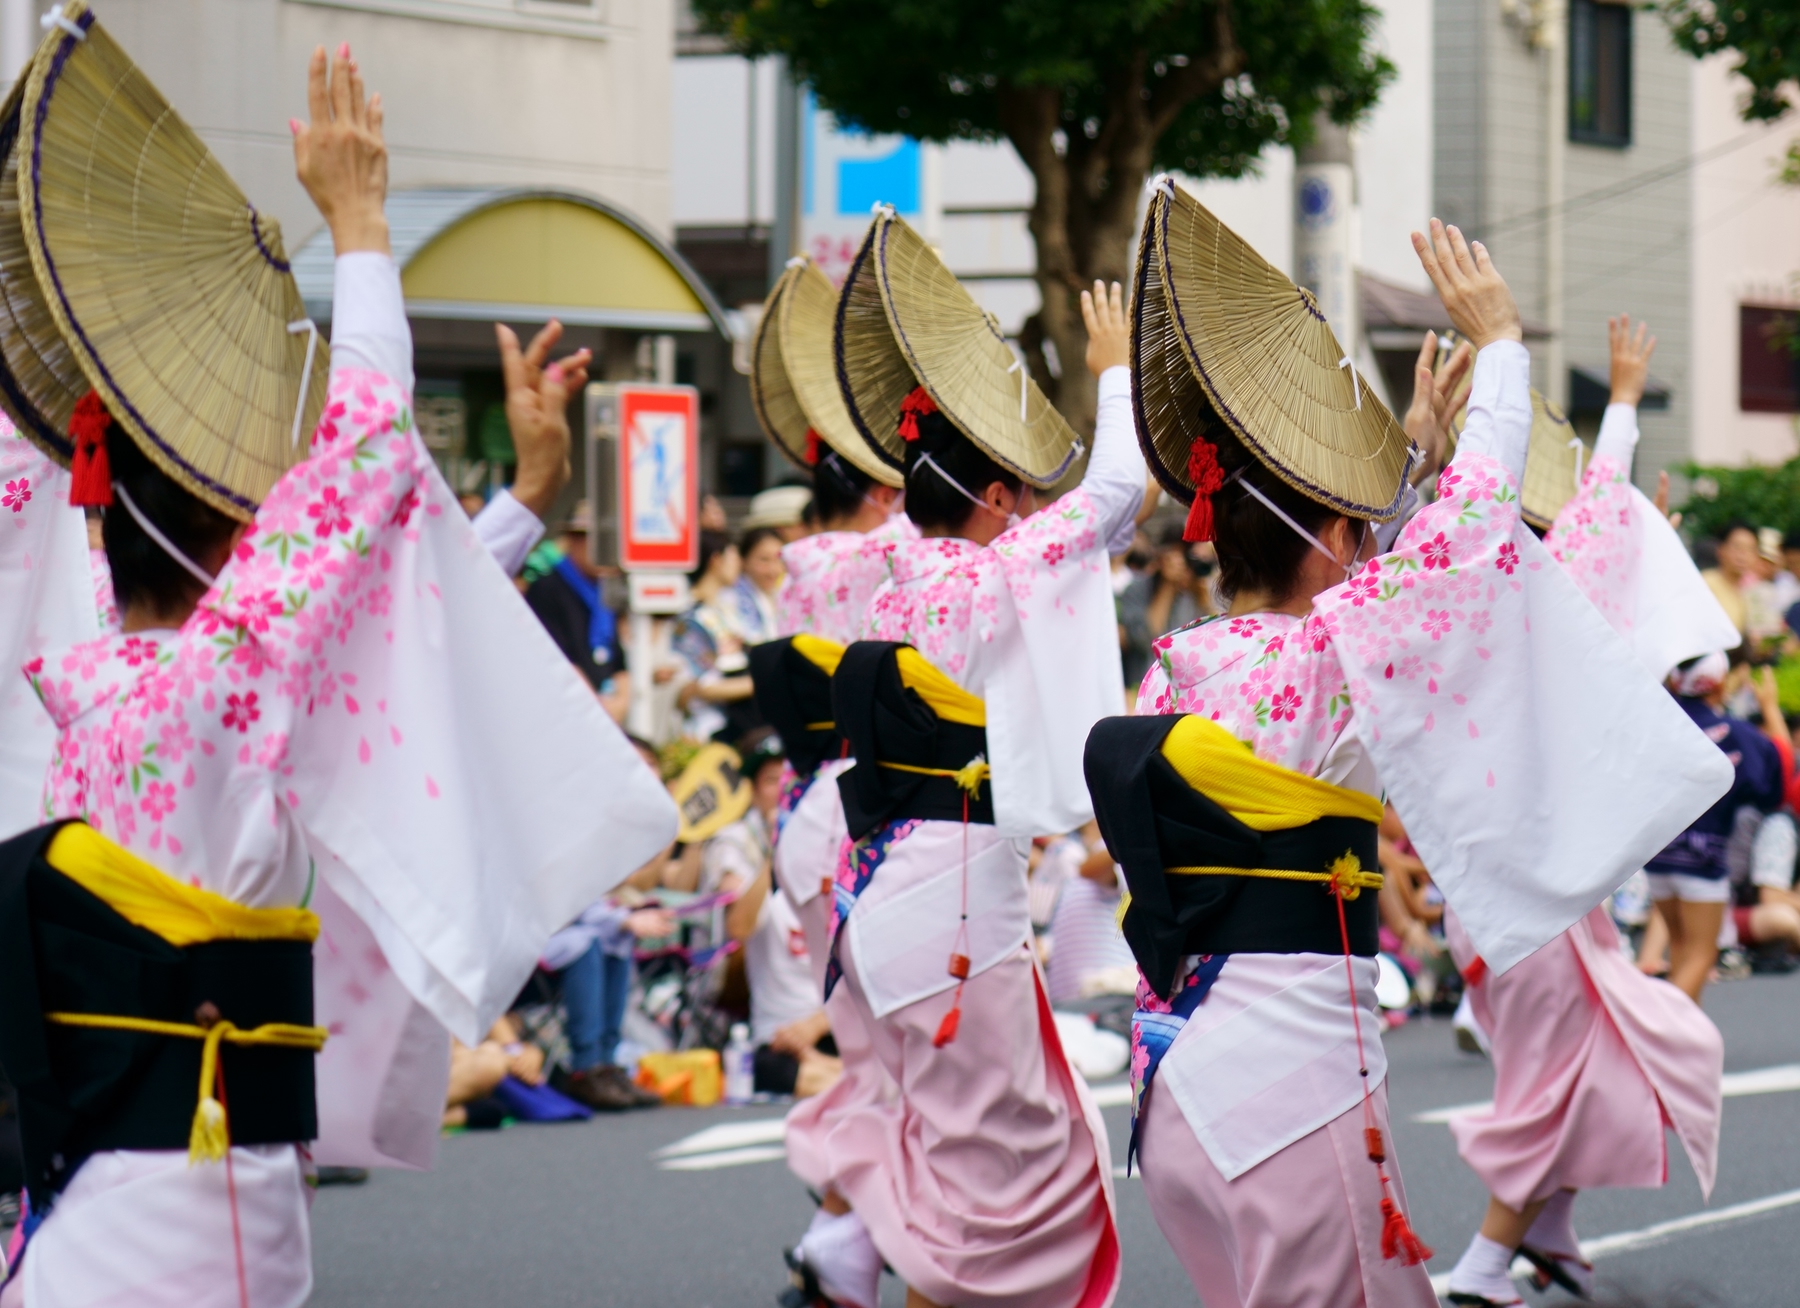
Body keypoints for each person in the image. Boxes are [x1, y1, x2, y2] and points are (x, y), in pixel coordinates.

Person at [0, 36, 677, 1306]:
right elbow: (363, 451)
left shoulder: (93, 678)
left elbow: (343, 637)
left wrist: (522, 505)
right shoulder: (212, 695)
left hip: (79, 1199)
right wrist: (361, 225)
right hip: (193, 1208)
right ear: (234, 536)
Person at [1089, 192, 1729, 1308]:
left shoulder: (1173, 667)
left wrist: (1410, 457)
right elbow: (1470, 528)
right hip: (1288, 1083)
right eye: (1359, 529)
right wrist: (1503, 347)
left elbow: (1396, 561)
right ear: (1338, 540)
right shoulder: (1336, 653)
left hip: (1180, 1076)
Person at [797, 205, 1155, 1308]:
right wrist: (1107, 376)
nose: (1032, 509)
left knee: (959, 1152)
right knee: (1013, 1179)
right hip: (950, 899)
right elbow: (1116, 497)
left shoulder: (889, 574)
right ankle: (856, 1258)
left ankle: (848, 1251)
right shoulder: (979, 574)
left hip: (869, 884)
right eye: (1016, 493)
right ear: (996, 499)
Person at [1439, 314, 1731, 1306]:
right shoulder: (1552, 615)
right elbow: (1600, 523)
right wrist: (1621, 399)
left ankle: (1550, 1228)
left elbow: (1597, 528)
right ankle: (1485, 1264)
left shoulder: (1458, 613)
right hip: (1540, 902)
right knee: (1564, 1085)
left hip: (1505, 891)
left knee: (1612, 1061)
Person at [1646, 654, 1787, 1003]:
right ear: (1722, 683)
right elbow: (1773, 785)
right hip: (1704, 856)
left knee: (1680, 946)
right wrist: (1768, 709)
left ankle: (1683, 1044)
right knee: (1702, 953)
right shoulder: (1736, 735)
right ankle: (1665, 1034)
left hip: (1656, 854)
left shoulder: (1657, 725)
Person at [523, 499, 631, 723]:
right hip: (569, 709)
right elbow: (555, 655)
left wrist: (622, 700)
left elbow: (617, 655)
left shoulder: (606, 588)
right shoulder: (547, 587)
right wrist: (596, 709)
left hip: (605, 704)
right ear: (574, 541)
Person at [721, 524, 787, 647]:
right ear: (743, 560)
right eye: (764, 560)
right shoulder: (731, 598)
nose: (773, 569)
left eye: (778, 559)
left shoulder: (782, 594)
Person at [1702, 520, 1759, 640]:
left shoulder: (1745, 591)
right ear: (1721, 550)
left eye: (1750, 549)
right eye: (1737, 547)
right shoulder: (1706, 583)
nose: (1743, 555)